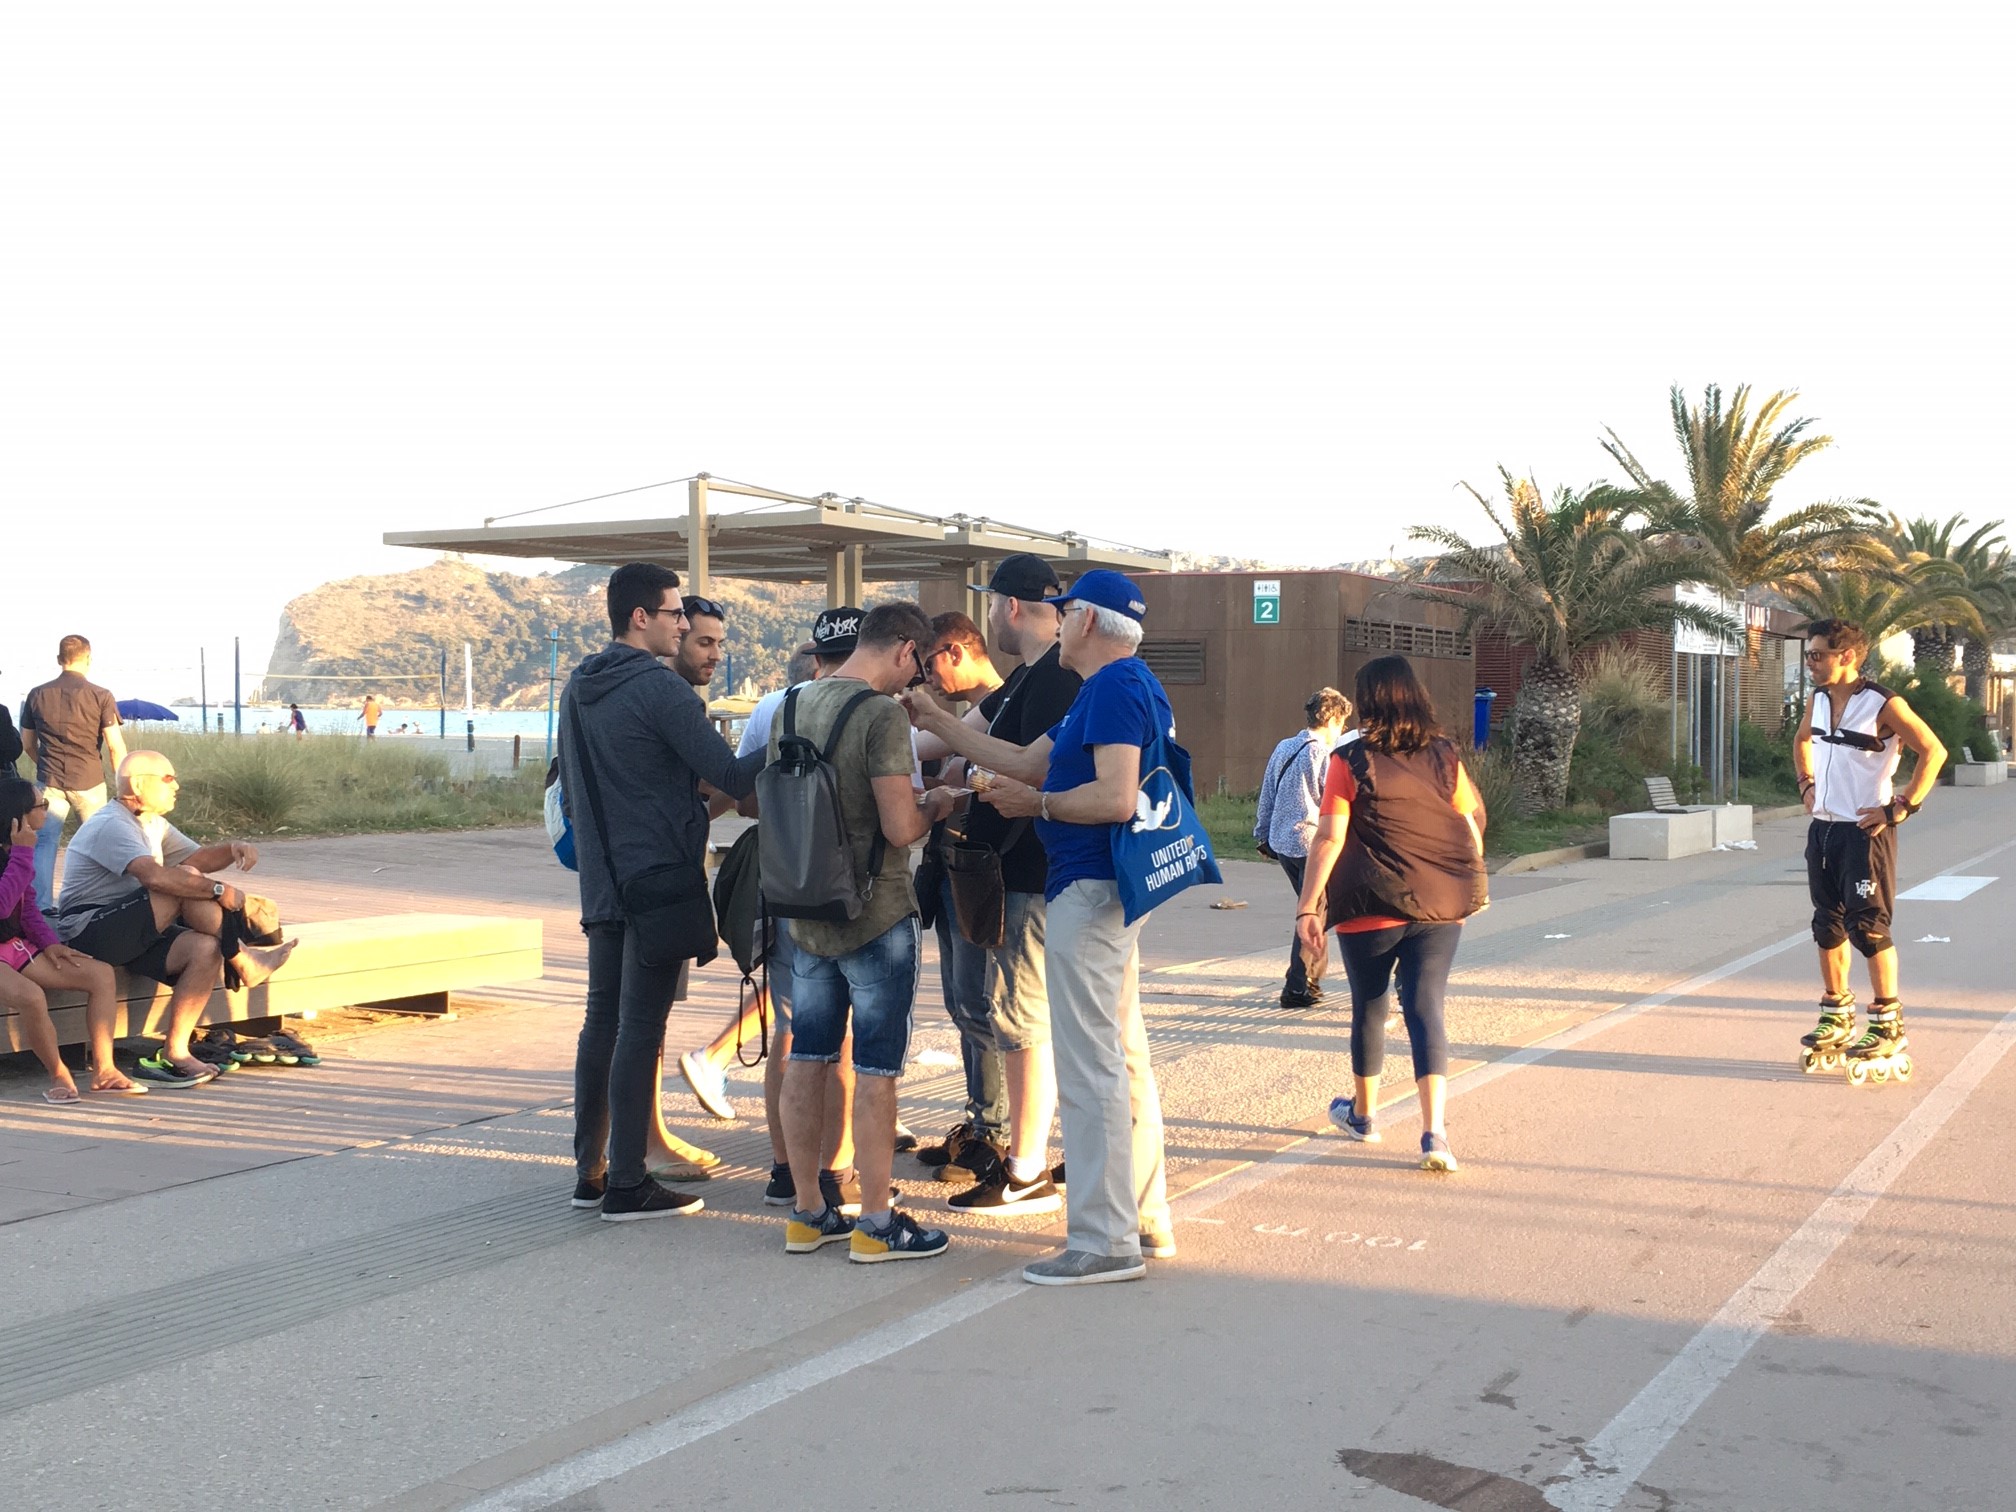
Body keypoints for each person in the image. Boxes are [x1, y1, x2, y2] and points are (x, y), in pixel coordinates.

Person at [905, 570, 1175, 1284]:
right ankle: (1145, 1219)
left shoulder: (1112, 688)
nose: (1056, 622)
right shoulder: (1123, 684)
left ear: (1086, 621)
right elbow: (1026, 759)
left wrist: (1040, 807)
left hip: (1085, 887)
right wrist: (937, 721)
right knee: (1123, 1059)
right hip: (1107, 890)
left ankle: (1103, 1239)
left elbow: (1114, 798)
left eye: (1066, 611)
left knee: (1091, 1068)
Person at [560, 563, 766, 1222]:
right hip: (658, 883)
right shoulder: (660, 688)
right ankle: (627, 1184)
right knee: (640, 1033)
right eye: (676, 613)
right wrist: (797, 728)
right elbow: (730, 773)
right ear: (641, 617)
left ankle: (588, 1172)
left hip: (603, 878)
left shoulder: (580, 685)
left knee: (602, 1025)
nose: (684, 623)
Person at [774, 601, 961, 1262]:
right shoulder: (879, 714)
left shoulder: (793, 704)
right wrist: (939, 803)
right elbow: (899, 828)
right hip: (876, 914)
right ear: (906, 650)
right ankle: (877, 1225)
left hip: (806, 909)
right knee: (877, 1066)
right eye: (921, 665)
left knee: (808, 1054)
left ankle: (805, 1212)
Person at [907, 555, 1087, 1220]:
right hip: (1010, 876)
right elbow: (948, 742)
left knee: (1023, 1024)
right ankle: (1034, 1155)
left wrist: (957, 755)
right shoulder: (1024, 681)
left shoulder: (1058, 680)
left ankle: (1028, 1170)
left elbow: (1022, 764)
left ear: (1009, 606)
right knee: (1016, 1020)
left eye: (989, 604)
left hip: (1031, 877)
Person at [1294, 656, 1487, 1172]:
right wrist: (1469, 882)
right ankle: (1435, 1134)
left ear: (1369, 699)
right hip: (1441, 903)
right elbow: (1470, 825)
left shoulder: (1349, 760)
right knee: (1427, 1008)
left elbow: (1330, 837)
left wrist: (1308, 906)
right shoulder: (1445, 755)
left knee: (1371, 1006)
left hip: (1371, 905)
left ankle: (1364, 1116)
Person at [56, 751, 299, 1086]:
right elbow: (155, 878)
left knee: (205, 948)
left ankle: (177, 1050)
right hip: (88, 931)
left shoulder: (151, 822)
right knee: (181, 881)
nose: (177, 785)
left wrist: (232, 849)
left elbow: (196, 857)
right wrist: (217, 889)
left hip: (135, 929)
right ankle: (243, 957)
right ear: (139, 784)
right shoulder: (110, 823)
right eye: (169, 778)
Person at [1792, 618, 1946, 1081]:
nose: (1811, 663)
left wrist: (1901, 806)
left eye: (1818, 655)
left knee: (1869, 926)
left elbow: (1932, 751)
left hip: (1865, 832)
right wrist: (1806, 785)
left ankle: (1887, 1023)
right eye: (1809, 655)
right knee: (1827, 923)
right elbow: (1801, 741)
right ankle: (1837, 1015)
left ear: (1847, 657)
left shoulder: (1882, 702)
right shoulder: (1817, 700)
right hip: (1824, 830)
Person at [910, 608, 1012, 1185]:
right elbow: (941, 761)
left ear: (954, 651)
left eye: (930, 665)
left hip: (980, 868)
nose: (928, 679)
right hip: (953, 863)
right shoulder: (979, 710)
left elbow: (965, 771)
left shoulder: (1002, 704)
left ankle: (991, 1131)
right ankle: (978, 1121)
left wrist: (954, 785)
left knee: (979, 1003)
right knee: (961, 1001)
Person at [0, 775, 141, 1102]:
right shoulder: (18, 853)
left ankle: (105, 1070)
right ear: (17, 817)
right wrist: (22, 853)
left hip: (16, 948)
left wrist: (50, 944)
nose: (47, 813)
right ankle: (60, 1075)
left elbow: (27, 907)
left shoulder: (19, 852)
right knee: (32, 996)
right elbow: (3, 904)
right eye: (42, 806)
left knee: (100, 974)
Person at [1255, 687, 1355, 1008]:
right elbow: (1334, 801)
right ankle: (1298, 985)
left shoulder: (1284, 747)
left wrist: (1263, 835)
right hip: (1312, 843)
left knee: (1313, 907)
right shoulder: (1325, 755)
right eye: (1341, 724)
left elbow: (1267, 794)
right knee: (1313, 909)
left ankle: (1310, 978)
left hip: (1283, 842)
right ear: (1334, 719)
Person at [19, 635, 127, 913]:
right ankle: (98, 902)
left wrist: (44, 763)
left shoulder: (36, 694)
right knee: (101, 843)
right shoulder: (101, 695)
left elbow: (27, 744)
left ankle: (42, 906)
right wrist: (123, 785)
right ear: (89, 658)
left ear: (59, 660)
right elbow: (115, 747)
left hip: (50, 781)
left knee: (44, 842)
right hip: (90, 781)